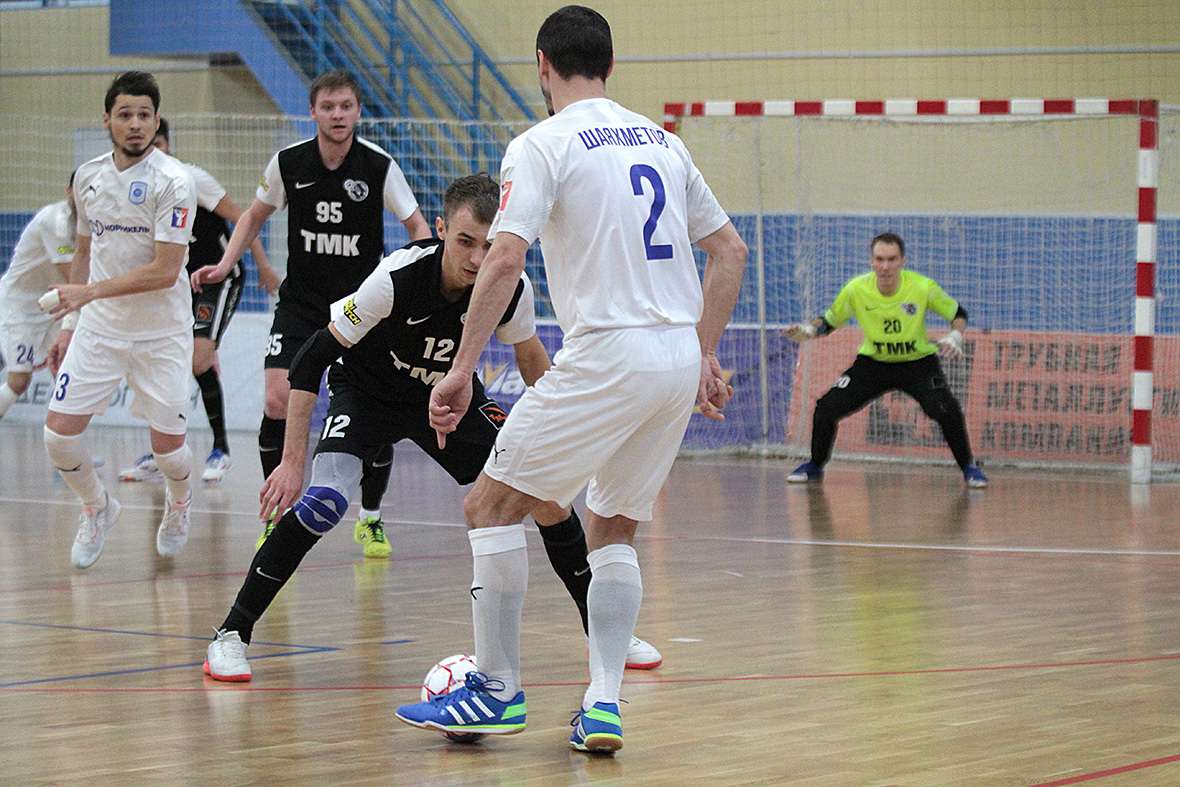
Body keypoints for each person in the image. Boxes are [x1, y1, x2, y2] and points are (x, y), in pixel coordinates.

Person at [395, 6, 748, 754]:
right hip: (673, 358)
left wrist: (461, 368)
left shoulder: (542, 143)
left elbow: (504, 257)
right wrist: (705, 354)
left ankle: (495, 690)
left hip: (608, 353)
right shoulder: (663, 141)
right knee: (612, 525)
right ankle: (604, 704)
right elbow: (730, 251)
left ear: (542, 66)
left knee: (489, 505)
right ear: (610, 67)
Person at [202, 174, 662, 682]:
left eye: (490, 245)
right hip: (367, 393)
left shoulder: (511, 285)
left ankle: (605, 634)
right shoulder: (396, 277)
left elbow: (532, 359)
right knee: (324, 501)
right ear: (440, 229)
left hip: (449, 398)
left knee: (546, 494)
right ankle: (231, 634)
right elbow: (311, 357)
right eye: (465, 241)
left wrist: (567, 437)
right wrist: (292, 463)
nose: (477, 258)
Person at [191, 70, 431, 557]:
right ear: (312, 112)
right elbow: (253, 216)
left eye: (346, 106)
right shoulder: (288, 162)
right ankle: (275, 514)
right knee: (277, 400)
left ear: (357, 111)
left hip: (360, 310)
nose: (337, 115)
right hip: (301, 304)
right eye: (328, 107)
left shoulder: (379, 166)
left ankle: (370, 517)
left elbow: (419, 230)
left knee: (374, 413)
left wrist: (412, 288)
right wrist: (225, 263)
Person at [42, 71, 198, 568]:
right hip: (100, 330)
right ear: (106, 120)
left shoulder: (174, 181)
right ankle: (98, 507)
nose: (135, 124)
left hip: (161, 334)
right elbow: (85, 251)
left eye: (144, 115)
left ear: (157, 120)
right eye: (125, 114)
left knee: (168, 453)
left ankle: (179, 502)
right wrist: (70, 324)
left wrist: (87, 292)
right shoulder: (88, 177)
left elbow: (166, 270)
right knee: (58, 437)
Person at [119, 117, 281, 485]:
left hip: (218, 279)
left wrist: (264, 266)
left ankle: (221, 449)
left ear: (168, 146)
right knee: (164, 362)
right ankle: (161, 453)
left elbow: (245, 218)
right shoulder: (137, 191)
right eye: (147, 148)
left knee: (198, 360)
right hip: (178, 283)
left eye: (158, 146)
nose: (153, 154)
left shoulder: (192, 180)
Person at [780, 231, 988, 488]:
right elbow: (829, 321)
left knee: (946, 409)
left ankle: (969, 467)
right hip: (873, 365)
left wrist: (956, 335)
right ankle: (815, 466)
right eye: (879, 259)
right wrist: (810, 330)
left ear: (902, 261)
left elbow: (958, 313)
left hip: (917, 364)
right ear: (871, 261)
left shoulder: (922, 287)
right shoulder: (856, 289)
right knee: (826, 408)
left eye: (892, 260)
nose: (885, 266)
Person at [0, 173, 76, 420]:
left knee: (69, 371)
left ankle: (64, 440)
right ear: (68, 192)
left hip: (53, 308)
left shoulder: (96, 225)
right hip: (19, 307)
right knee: (18, 381)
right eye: (80, 190)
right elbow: (75, 277)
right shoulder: (55, 221)